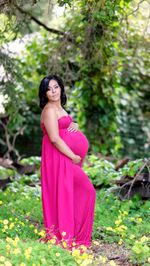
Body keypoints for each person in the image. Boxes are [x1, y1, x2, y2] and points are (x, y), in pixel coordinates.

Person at [39, 74, 96, 250]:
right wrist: (72, 156)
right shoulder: (49, 110)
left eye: (56, 87)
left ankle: (75, 234)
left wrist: (74, 125)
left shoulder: (60, 108)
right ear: (45, 93)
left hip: (66, 158)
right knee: (87, 191)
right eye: (49, 89)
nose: (53, 91)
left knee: (77, 192)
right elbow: (55, 138)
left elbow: (63, 127)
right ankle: (70, 236)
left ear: (61, 88)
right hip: (59, 159)